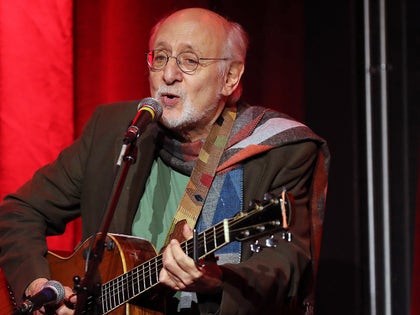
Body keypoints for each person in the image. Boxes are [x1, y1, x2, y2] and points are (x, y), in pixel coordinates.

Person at [0, 7, 329, 315]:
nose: (168, 74)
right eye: (160, 57)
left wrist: (214, 281)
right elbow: (19, 212)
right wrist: (38, 285)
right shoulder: (115, 131)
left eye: (189, 60)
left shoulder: (278, 147)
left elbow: (284, 271)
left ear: (230, 77)